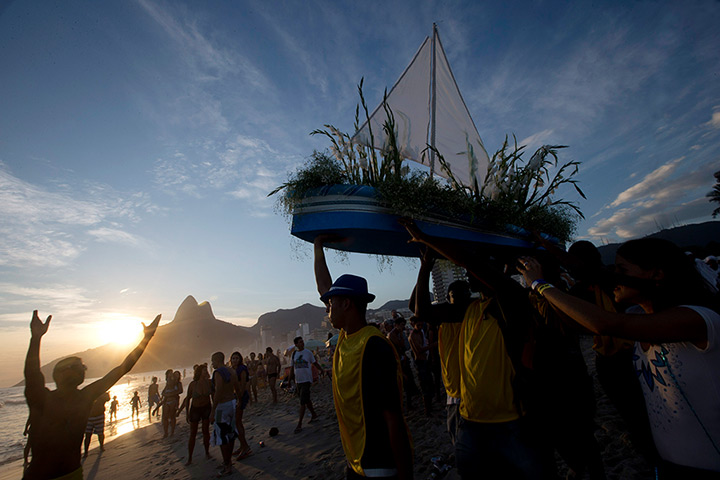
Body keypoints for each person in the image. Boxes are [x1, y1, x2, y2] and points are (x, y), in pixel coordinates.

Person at [518, 238, 720, 478]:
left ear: (657, 275)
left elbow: (604, 323)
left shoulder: (696, 318)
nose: (614, 276)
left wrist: (540, 284)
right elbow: (584, 322)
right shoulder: (638, 316)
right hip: (670, 462)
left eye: (622, 270)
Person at [402, 220, 550, 479]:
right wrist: (425, 266)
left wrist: (427, 238)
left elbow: (475, 265)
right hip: (470, 422)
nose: (467, 274)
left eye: (474, 268)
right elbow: (421, 311)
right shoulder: (470, 308)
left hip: (512, 422)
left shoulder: (512, 300)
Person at [314, 235, 413, 479]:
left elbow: (393, 416)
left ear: (347, 304)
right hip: (355, 460)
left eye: (332, 304)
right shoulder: (347, 337)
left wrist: (405, 474)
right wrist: (318, 246)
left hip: (378, 463)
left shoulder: (374, 346)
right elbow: (323, 287)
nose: (328, 311)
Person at [22, 310, 160, 480]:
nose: (83, 369)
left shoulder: (78, 398)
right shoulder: (44, 399)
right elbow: (32, 372)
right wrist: (35, 338)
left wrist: (36, 338)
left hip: (71, 475)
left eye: (83, 367)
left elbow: (122, 369)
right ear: (62, 373)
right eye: (80, 366)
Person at [210, 351, 244, 477]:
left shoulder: (218, 373)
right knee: (230, 433)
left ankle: (227, 464)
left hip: (221, 408)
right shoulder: (231, 371)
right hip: (232, 404)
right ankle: (228, 461)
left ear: (217, 360)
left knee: (222, 435)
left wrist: (213, 410)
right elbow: (237, 386)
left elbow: (218, 390)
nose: (212, 364)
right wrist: (240, 399)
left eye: (212, 361)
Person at [177, 363, 212, 465]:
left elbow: (214, 395)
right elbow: (188, 399)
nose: (206, 371)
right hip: (195, 409)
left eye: (206, 370)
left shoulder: (209, 382)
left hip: (206, 408)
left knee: (206, 431)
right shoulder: (193, 384)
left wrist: (214, 409)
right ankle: (190, 457)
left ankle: (207, 452)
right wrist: (186, 413)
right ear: (199, 372)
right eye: (204, 370)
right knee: (193, 433)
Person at [289, 336, 324, 433]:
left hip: (306, 380)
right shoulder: (294, 354)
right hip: (298, 381)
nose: (302, 343)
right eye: (300, 342)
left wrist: (321, 370)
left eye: (302, 342)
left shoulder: (308, 353)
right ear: (296, 344)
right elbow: (292, 368)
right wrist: (289, 381)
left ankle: (299, 424)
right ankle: (314, 415)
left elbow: (315, 363)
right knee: (306, 400)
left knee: (302, 402)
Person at [408, 316, 436, 416]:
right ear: (413, 324)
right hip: (420, 363)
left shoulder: (420, 332)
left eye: (421, 325)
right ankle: (427, 410)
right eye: (418, 325)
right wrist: (433, 345)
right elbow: (419, 350)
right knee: (425, 387)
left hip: (425, 361)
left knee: (429, 385)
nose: (420, 327)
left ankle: (430, 407)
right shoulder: (413, 336)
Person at [229, 351, 252, 460]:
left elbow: (243, 385)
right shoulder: (232, 370)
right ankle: (242, 445)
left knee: (237, 422)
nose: (235, 360)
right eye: (233, 358)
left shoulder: (242, 369)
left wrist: (239, 399)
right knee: (237, 422)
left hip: (241, 396)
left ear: (240, 359)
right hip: (234, 396)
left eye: (237, 358)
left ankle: (245, 447)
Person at [83, 391, 110, 457]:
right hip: (92, 417)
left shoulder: (99, 395)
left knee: (96, 434)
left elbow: (108, 398)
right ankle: (87, 451)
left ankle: (101, 447)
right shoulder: (92, 396)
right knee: (90, 435)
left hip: (95, 417)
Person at [159, 369, 182, 437]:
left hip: (173, 401)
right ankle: (166, 432)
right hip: (167, 401)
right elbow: (163, 392)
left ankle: (172, 432)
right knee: (165, 418)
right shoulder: (168, 384)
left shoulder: (178, 383)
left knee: (172, 417)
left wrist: (170, 394)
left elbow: (180, 391)